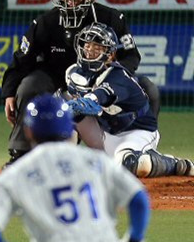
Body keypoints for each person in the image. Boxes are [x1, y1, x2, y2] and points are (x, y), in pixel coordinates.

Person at [1, 0, 160, 167]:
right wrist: (9, 93)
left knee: (148, 89)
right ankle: (21, 154)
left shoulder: (111, 18)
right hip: (56, 76)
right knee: (29, 85)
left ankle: (142, 149)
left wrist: (111, 78)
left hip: (102, 78)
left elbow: (131, 56)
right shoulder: (45, 23)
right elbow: (22, 60)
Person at [0, 93, 150, 242]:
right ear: (69, 126)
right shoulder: (97, 161)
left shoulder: (16, 174)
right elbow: (139, 199)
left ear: (28, 131)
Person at [64, 23, 194, 178]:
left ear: (110, 55)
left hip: (136, 131)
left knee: (134, 165)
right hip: (106, 131)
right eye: (87, 45)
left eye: (97, 47)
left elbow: (96, 99)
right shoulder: (73, 72)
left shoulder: (118, 77)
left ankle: (176, 165)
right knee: (64, 113)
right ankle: (63, 161)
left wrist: (74, 105)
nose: (90, 50)